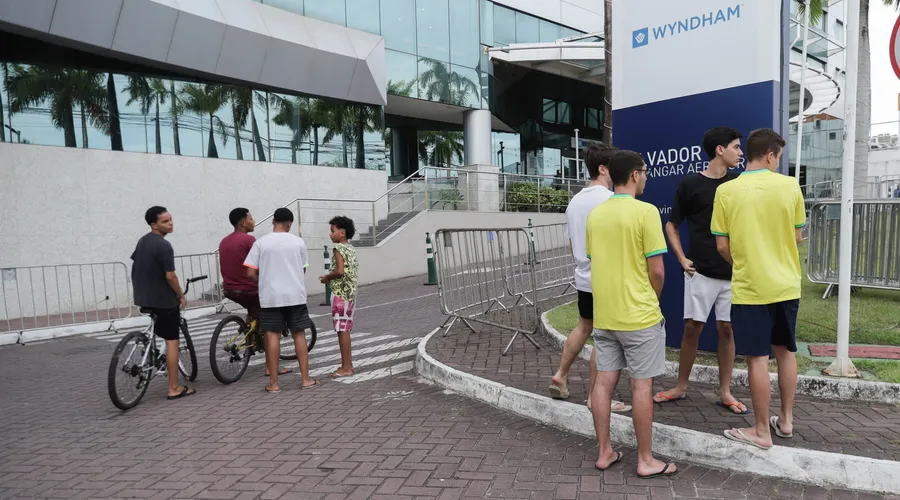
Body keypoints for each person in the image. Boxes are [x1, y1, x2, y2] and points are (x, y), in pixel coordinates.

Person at [712, 128, 805, 450]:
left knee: (757, 358)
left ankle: (762, 430)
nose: (777, 163)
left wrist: (743, 261)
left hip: (751, 285)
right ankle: (787, 420)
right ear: (769, 155)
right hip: (786, 284)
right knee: (785, 351)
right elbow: (797, 237)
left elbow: (721, 245)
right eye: (777, 157)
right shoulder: (791, 186)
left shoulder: (726, 191)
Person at [586, 150, 676, 478]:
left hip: (606, 315)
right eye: (645, 172)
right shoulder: (646, 212)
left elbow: (595, 261)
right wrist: (653, 298)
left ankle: (605, 451)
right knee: (641, 387)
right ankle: (646, 459)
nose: (647, 177)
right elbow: (658, 271)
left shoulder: (596, 215)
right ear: (635, 175)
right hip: (639, 315)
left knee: (603, 384)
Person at [654, 127, 747, 414]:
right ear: (720, 149)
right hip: (700, 272)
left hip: (732, 273)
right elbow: (672, 225)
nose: (740, 152)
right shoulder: (690, 184)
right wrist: (681, 258)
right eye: (735, 146)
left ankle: (725, 392)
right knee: (692, 329)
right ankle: (680, 387)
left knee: (728, 330)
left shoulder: (738, 182)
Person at [549, 145, 630, 414]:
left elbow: (574, 246)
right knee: (602, 338)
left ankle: (561, 374)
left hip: (583, 276)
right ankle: (595, 398)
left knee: (584, 326)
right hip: (605, 279)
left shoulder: (575, 201)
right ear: (603, 169)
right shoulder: (609, 199)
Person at [243, 208, 317, 393]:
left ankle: (274, 384)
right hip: (295, 296)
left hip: (271, 297)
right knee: (299, 334)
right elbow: (303, 269)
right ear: (289, 223)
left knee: (272, 336)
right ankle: (306, 380)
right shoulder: (298, 242)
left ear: (273, 221)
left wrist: (265, 281)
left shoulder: (261, 243)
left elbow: (250, 272)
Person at [131, 206, 195, 400]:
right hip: (163, 300)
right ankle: (174, 388)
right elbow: (170, 276)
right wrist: (180, 296)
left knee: (158, 330)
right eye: (165, 221)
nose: (170, 223)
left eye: (171, 220)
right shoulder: (164, 245)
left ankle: (151, 354)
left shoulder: (143, 241)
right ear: (154, 224)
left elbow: (140, 264)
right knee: (172, 341)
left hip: (143, 297)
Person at [219, 207, 291, 376]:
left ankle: (250, 339)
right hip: (249, 290)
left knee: (254, 313)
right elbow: (262, 264)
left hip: (230, 290)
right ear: (243, 222)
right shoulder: (249, 240)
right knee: (270, 324)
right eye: (251, 218)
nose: (254, 221)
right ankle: (270, 367)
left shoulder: (224, 241)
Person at [319, 216, 360, 378]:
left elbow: (340, 271)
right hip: (350, 294)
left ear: (342, 233)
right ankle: (348, 364)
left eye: (332, 231)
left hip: (340, 294)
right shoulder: (350, 248)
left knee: (341, 330)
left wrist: (327, 277)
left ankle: (346, 367)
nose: (330, 234)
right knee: (345, 329)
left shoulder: (338, 249)